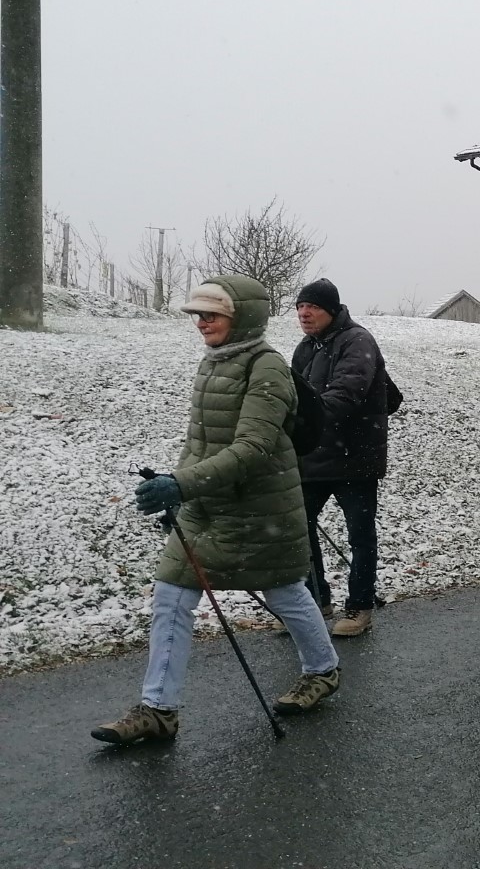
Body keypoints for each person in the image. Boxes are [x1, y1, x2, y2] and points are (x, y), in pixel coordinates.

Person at [92, 276, 339, 745]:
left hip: (261, 508)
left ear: (241, 316)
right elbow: (199, 441)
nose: (202, 322)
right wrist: (176, 489)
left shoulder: (266, 367)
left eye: (212, 314)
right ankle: (158, 709)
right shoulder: (214, 362)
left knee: (285, 592)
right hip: (207, 507)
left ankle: (323, 670)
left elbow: (253, 448)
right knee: (172, 594)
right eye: (198, 314)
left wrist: (182, 484)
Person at [290, 279, 391, 637]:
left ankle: (359, 606)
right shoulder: (306, 348)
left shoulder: (357, 340)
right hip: (313, 457)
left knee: (360, 536)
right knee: (297, 528)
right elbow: (294, 395)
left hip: (354, 457)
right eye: (300, 306)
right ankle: (315, 601)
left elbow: (346, 393)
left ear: (331, 310)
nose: (304, 313)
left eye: (313, 307)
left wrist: (304, 420)